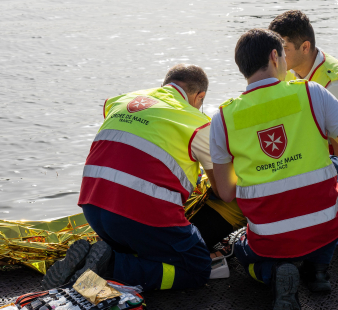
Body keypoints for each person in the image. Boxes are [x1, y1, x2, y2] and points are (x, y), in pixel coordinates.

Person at [210, 29, 338, 310]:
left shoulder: (223, 118)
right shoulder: (311, 92)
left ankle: (274, 273)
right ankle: (319, 268)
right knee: (337, 167)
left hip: (269, 236)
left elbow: (226, 191)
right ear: (275, 57)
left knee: (244, 250)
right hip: (325, 224)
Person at [42, 64, 215, 291]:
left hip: (94, 208)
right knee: (197, 268)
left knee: (137, 245)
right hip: (140, 216)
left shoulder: (121, 100)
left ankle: (97, 258)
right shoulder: (196, 122)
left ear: (166, 84)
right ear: (199, 96)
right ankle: (110, 266)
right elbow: (223, 189)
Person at [268, 10, 338, 201]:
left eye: (283, 48)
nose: (275, 56)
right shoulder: (287, 70)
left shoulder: (337, 83)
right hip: (314, 158)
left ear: (305, 47)